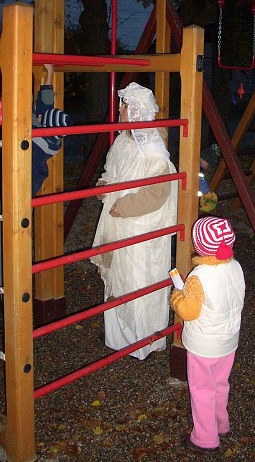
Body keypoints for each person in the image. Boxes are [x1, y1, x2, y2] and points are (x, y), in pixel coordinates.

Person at [90, 82, 178, 360]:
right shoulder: (123, 140)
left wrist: (124, 206)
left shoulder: (152, 147)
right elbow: (113, 169)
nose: (120, 109)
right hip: (120, 220)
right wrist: (106, 183)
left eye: (125, 105)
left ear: (138, 110)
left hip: (141, 226)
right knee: (119, 278)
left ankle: (143, 341)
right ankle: (119, 336)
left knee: (140, 280)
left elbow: (158, 190)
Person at [0, 63, 69, 332]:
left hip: (16, 197)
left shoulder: (35, 146)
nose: (35, 115)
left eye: (38, 119)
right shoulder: (41, 133)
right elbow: (44, 104)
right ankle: (7, 306)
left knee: (8, 250)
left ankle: (9, 310)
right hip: (9, 189)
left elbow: (41, 113)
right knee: (4, 248)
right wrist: (48, 74)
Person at [170, 216, 245, 454]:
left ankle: (205, 438)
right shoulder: (236, 266)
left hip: (204, 346)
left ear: (199, 246)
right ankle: (222, 423)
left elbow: (188, 312)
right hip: (229, 341)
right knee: (221, 383)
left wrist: (177, 296)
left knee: (202, 390)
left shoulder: (198, 277)